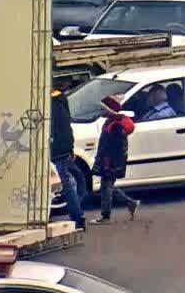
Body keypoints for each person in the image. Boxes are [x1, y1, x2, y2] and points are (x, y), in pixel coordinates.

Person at [92, 96, 139, 225]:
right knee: (107, 187)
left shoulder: (115, 125)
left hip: (111, 162)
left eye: (103, 108)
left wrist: (106, 163)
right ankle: (130, 203)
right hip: (109, 161)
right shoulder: (110, 122)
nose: (100, 111)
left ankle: (105, 216)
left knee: (106, 187)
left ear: (109, 110)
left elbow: (113, 146)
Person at [50, 87, 86, 230]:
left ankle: (77, 217)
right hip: (64, 146)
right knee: (67, 181)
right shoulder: (60, 99)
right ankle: (78, 217)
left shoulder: (49, 102)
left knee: (64, 183)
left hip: (55, 148)